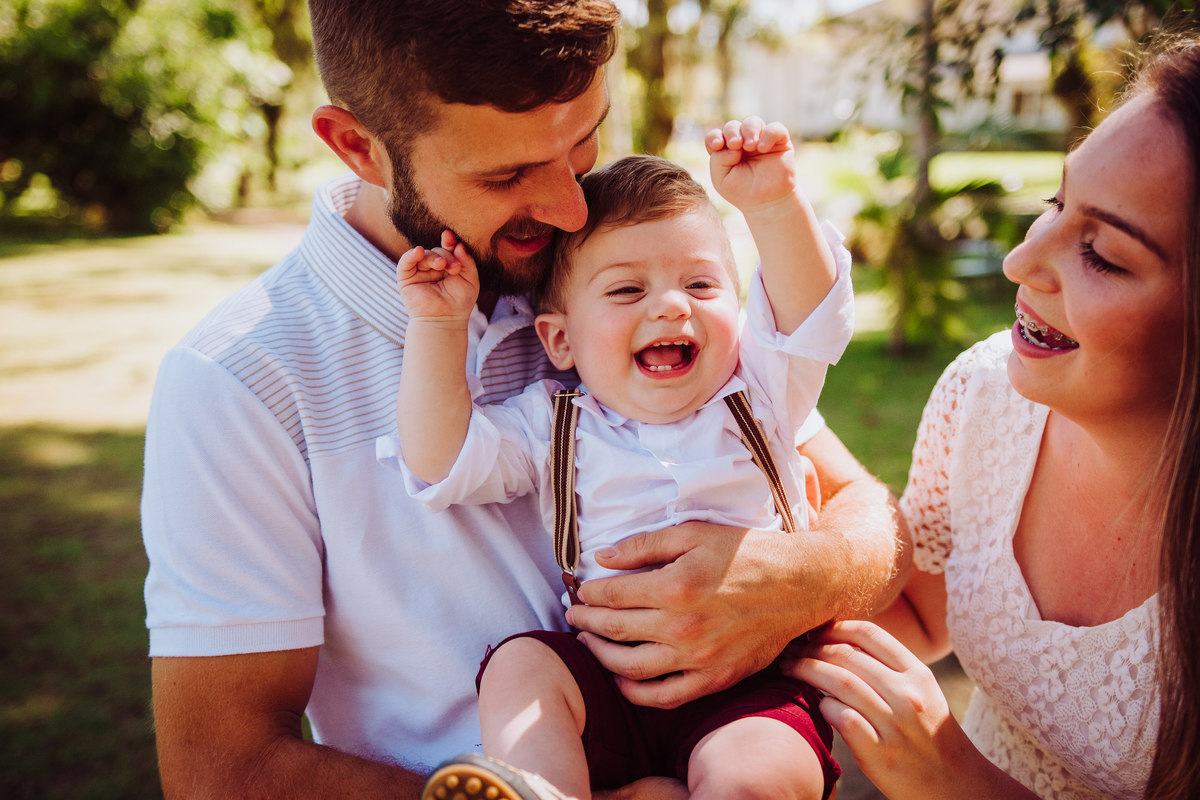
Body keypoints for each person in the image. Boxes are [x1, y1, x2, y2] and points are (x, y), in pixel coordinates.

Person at [140, 2, 907, 797]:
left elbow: (872, 524)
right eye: (505, 175)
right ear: (356, 146)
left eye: (583, 143)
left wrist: (802, 576)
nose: (572, 210)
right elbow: (223, 772)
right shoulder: (237, 381)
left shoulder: (621, 263)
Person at [381, 118, 850, 800]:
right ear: (561, 339)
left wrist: (773, 205)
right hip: (602, 674)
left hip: (748, 682)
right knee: (520, 667)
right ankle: (543, 789)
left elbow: (813, 314)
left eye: (701, 286)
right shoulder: (555, 422)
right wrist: (437, 327)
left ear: (741, 312)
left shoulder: (763, 391)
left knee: (756, 772)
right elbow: (440, 459)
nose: (668, 307)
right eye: (627, 291)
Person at [787, 32, 1200, 800]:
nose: (1020, 260)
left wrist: (958, 781)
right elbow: (920, 605)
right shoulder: (985, 394)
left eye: (1102, 253)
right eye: (1056, 202)